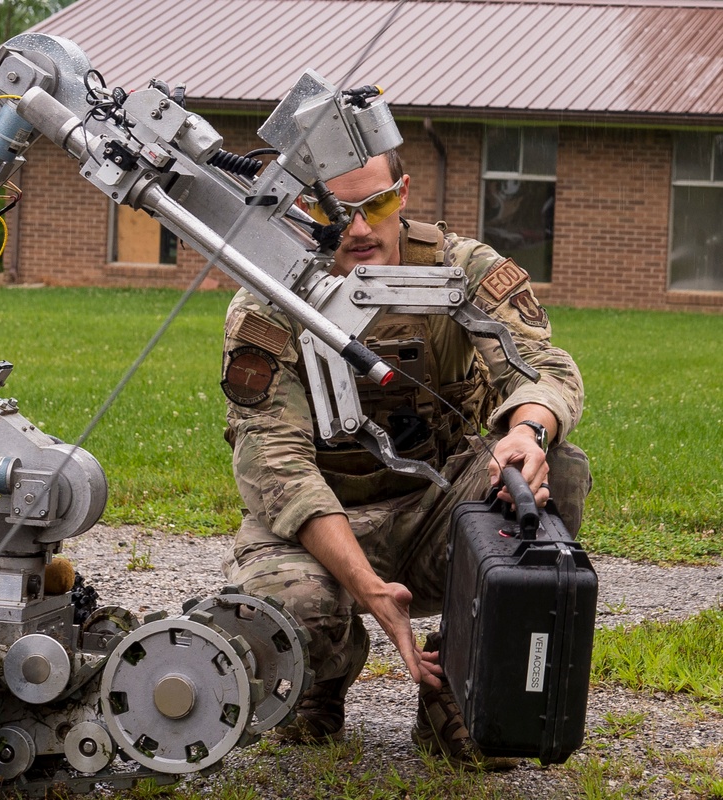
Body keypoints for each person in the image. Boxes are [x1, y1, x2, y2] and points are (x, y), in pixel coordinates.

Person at [219, 149, 591, 765]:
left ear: (404, 192)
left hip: (434, 506)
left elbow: (543, 368)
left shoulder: (459, 268)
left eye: (377, 204)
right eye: (330, 210)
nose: (359, 230)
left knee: (564, 469)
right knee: (289, 612)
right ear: (296, 211)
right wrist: (367, 588)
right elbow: (276, 461)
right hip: (319, 523)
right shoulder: (267, 299)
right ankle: (323, 674)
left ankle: (461, 683)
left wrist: (528, 432)